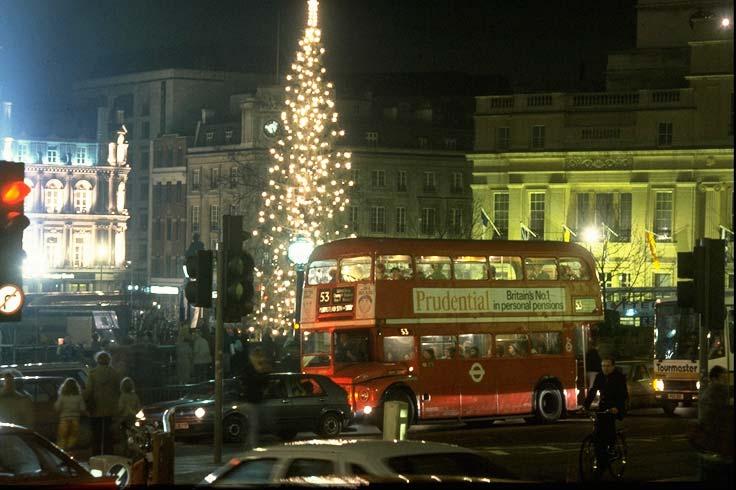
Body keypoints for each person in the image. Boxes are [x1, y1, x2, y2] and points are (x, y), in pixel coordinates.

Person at [583, 355, 628, 476]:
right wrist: (585, 405)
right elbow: (593, 391)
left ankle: (612, 449)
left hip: (615, 406)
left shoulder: (619, 378)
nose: (605, 368)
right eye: (603, 366)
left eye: (608, 366)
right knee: (598, 433)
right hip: (603, 405)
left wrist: (617, 408)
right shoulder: (600, 376)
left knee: (609, 427)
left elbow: (623, 395)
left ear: (613, 366)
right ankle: (601, 460)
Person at [694, 365, 733, 483]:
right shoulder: (721, 391)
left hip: (706, 449)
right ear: (716, 378)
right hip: (720, 453)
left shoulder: (706, 394)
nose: (726, 378)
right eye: (724, 376)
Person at [84, 351, 122, 456]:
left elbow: (89, 391)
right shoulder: (114, 373)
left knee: (96, 435)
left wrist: (83, 400)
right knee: (109, 436)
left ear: (97, 360)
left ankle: (96, 455)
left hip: (96, 409)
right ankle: (109, 455)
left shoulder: (93, 374)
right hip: (111, 408)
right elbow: (119, 390)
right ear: (109, 360)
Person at [239, 347, 270, 450]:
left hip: (255, 399)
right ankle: (252, 447)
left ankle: (248, 446)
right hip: (251, 400)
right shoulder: (250, 368)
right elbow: (252, 381)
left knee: (254, 425)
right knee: (254, 425)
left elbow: (265, 380)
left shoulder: (257, 367)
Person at [54, 378, 87, 451]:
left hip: (64, 419)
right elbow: (83, 408)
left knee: (62, 438)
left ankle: (62, 452)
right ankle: (69, 450)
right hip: (75, 419)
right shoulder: (79, 397)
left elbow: (57, 407)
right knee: (73, 437)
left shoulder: (62, 396)